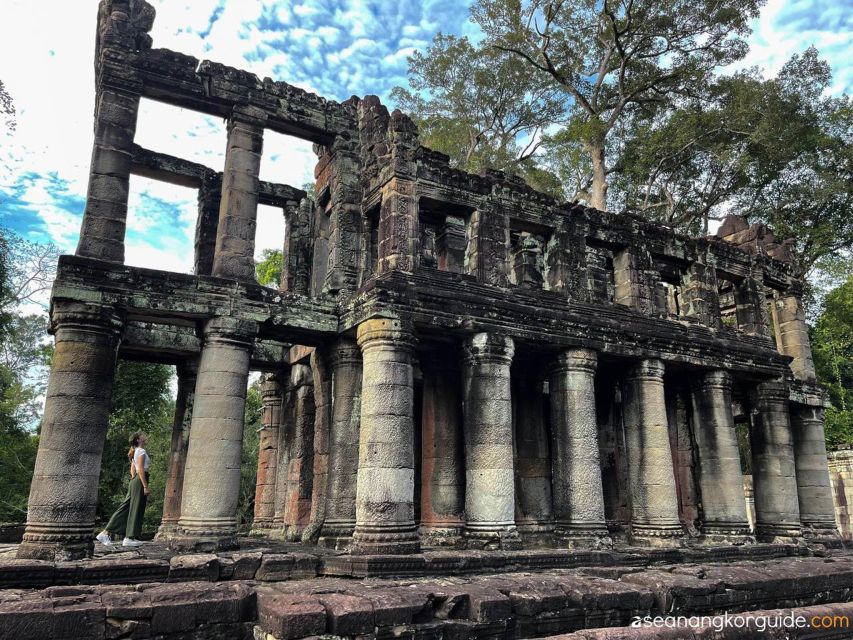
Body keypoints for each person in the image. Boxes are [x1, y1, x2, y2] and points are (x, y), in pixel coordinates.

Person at [95, 432, 151, 547]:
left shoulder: (135, 452)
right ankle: (129, 537)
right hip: (140, 480)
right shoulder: (141, 451)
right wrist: (145, 486)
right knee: (135, 508)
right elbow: (140, 469)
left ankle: (107, 533)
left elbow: (133, 468)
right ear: (138, 439)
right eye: (142, 436)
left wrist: (133, 479)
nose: (145, 437)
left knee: (126, 507)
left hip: (136, 480)